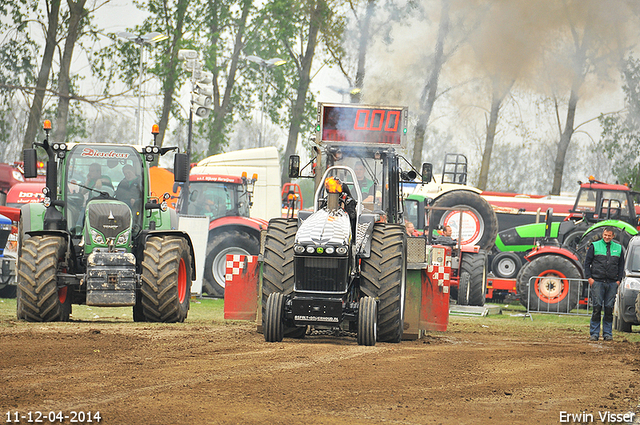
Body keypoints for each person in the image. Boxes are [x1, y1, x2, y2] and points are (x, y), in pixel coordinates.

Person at [583, 227, 625, 341]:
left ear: (613, 236)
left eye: (609, 235)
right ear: (603, 234)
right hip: (597, 282)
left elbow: (621, 266)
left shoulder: (619, 248)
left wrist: (618, 280)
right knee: (596, 308)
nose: (607, 237)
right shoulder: (594, 246)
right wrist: (589, 278)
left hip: (612, 283)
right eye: (605, 235)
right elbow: (587, 263)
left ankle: (607, 333)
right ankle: (594, 334)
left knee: (608, 308)